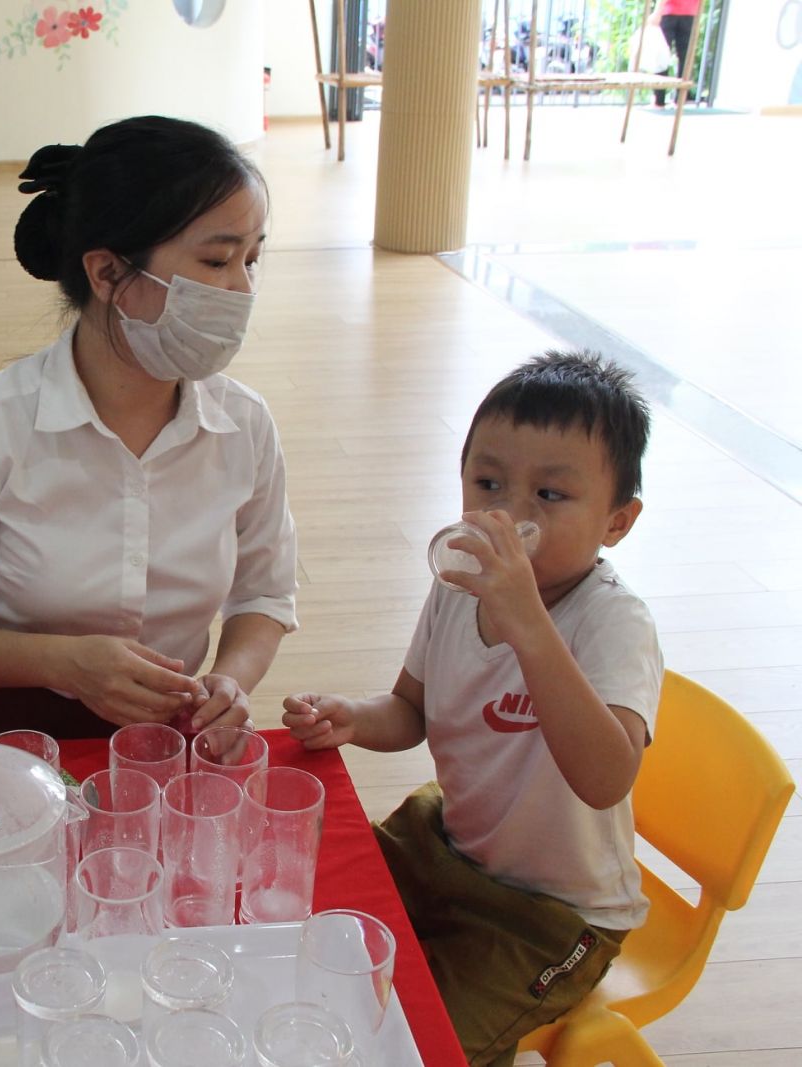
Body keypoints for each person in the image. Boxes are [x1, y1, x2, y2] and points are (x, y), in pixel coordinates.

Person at [282, 351, 662, 1067]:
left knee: (415, 1038)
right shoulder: (459, 588)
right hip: (447, 843)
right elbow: (410, 708)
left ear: (617, 521)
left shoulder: (613, 622)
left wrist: (529, 625)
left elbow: (605, 777)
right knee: (308, 901)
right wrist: (355, 717)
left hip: (549, 914)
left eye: (550, 494)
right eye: (488, 483)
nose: (510, 514)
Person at [0, 116, 298, 742]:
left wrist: (230, 681)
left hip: (165, 738)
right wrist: (61, 662)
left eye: (252, 259)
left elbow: (264, 595)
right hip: (5, 741)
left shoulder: (244, 425)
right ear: (106, 274)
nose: (240, 289)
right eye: (216, 260)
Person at [649, 0, 701, 107]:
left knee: (661, 55)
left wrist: (657, 11)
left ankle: (659, 100)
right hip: (690, 13)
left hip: (669, 12)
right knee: (685, 57)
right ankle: (680, 99)